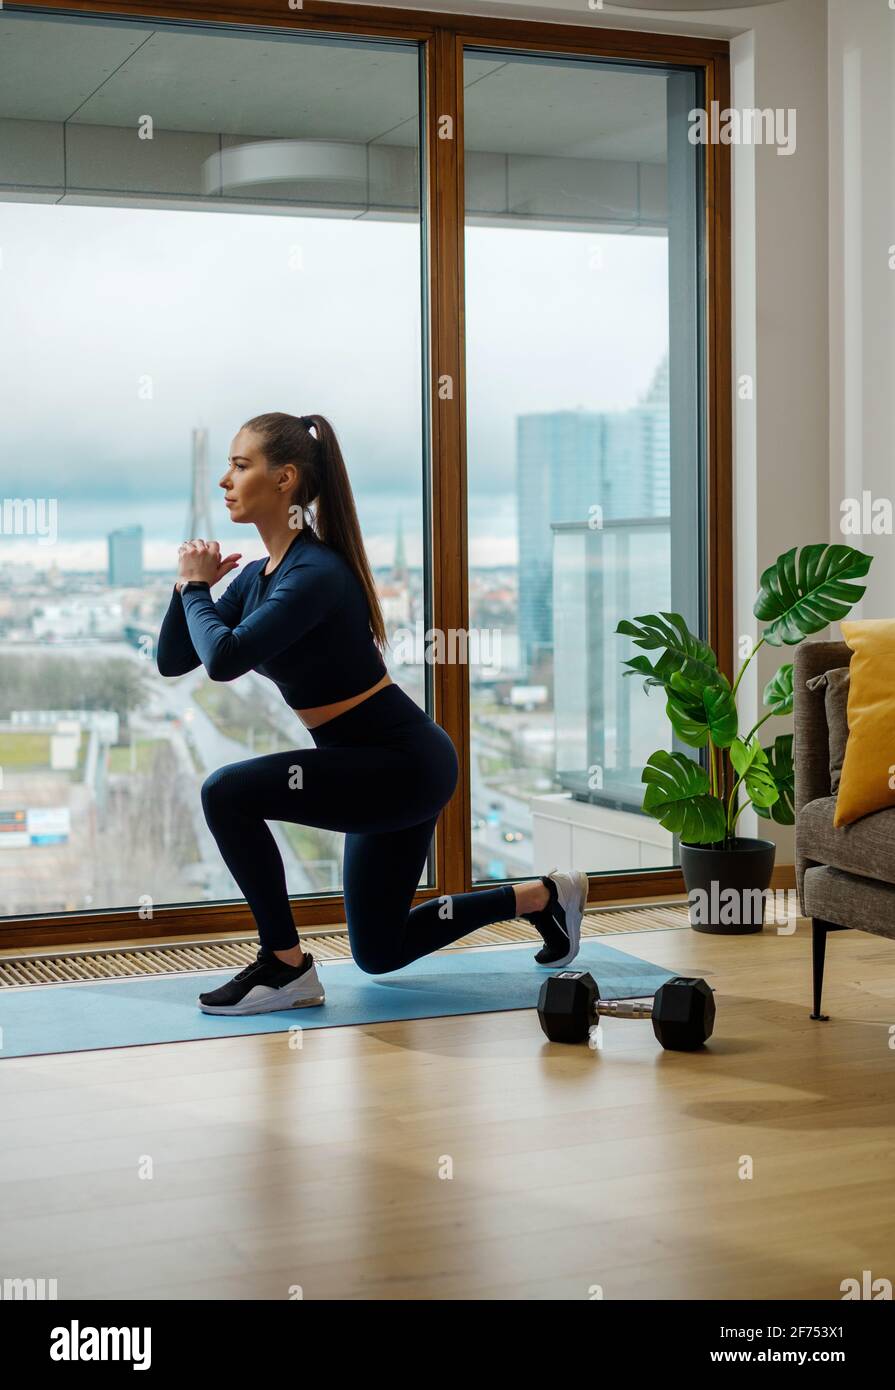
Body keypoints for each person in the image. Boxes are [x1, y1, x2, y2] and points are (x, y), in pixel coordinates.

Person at [156, 411, 587, 1015]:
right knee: (380, 951)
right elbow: (175, 659)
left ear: (284, 480)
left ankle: (285, 967)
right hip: (367, 766)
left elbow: (224, 659)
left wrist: (199, 591)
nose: (224, 481)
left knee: (226, 793)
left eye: (240, 465)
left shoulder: (316, 575)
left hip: (402, 766)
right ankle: (544, 897)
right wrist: (186, 588)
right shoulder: (257, 578)